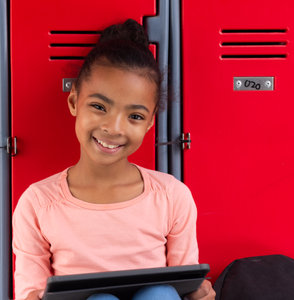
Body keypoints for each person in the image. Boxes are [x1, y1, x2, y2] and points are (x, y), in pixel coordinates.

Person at [12, 19, 215, 300]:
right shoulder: (38, 203)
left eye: (135, 116)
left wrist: (200, 295)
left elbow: (186, 282)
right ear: (73, 102)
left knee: (159, 294)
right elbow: (28, 292)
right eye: (99, 106)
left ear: (149, 123)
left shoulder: (171, 196)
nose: (114, 127)